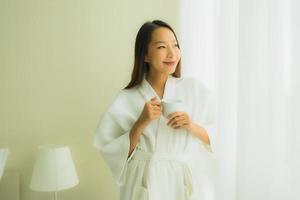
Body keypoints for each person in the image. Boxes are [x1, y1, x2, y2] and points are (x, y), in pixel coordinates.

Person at [93, 20, 216, 200]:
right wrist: (140, 124)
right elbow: (112, 152)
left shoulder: (194, 90)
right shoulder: (127, 99)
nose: (172, 53)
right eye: (161, 47)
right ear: (145, 55)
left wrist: (190, 126)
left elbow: (220, 135)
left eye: (175, 45)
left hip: (181, 181)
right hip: (144, 181)